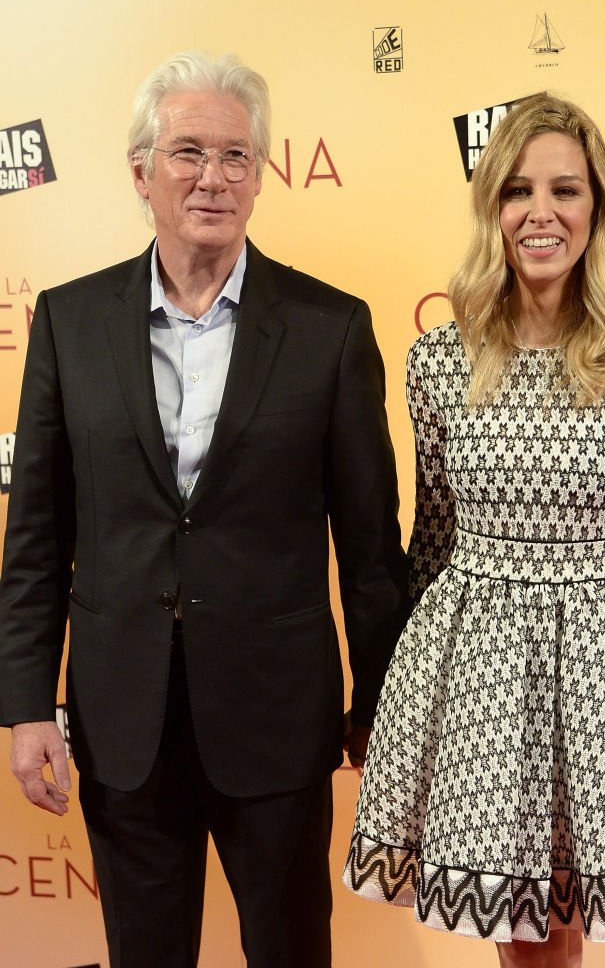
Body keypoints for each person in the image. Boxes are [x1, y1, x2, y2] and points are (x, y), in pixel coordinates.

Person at [0, 50, 408, 968]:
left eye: (236, 157)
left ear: (262, 178)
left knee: (292, 951)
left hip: (280, 722)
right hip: (120, 722)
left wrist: (379, 703)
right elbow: (35, 535)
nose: (212, 178)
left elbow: (371, 547)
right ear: (141, 171)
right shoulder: (69, 320)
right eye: (188, 152)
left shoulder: (329, 328)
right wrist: (28, 705)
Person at [343, 92, 605, 966]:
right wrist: (411, 701)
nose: (542, 213)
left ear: (599, 207)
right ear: (493, 210)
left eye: (567, 190)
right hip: (479, 669)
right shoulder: (439, 359)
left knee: (570, 925)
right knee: (517, 933)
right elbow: (432, 538)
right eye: (518, 191)